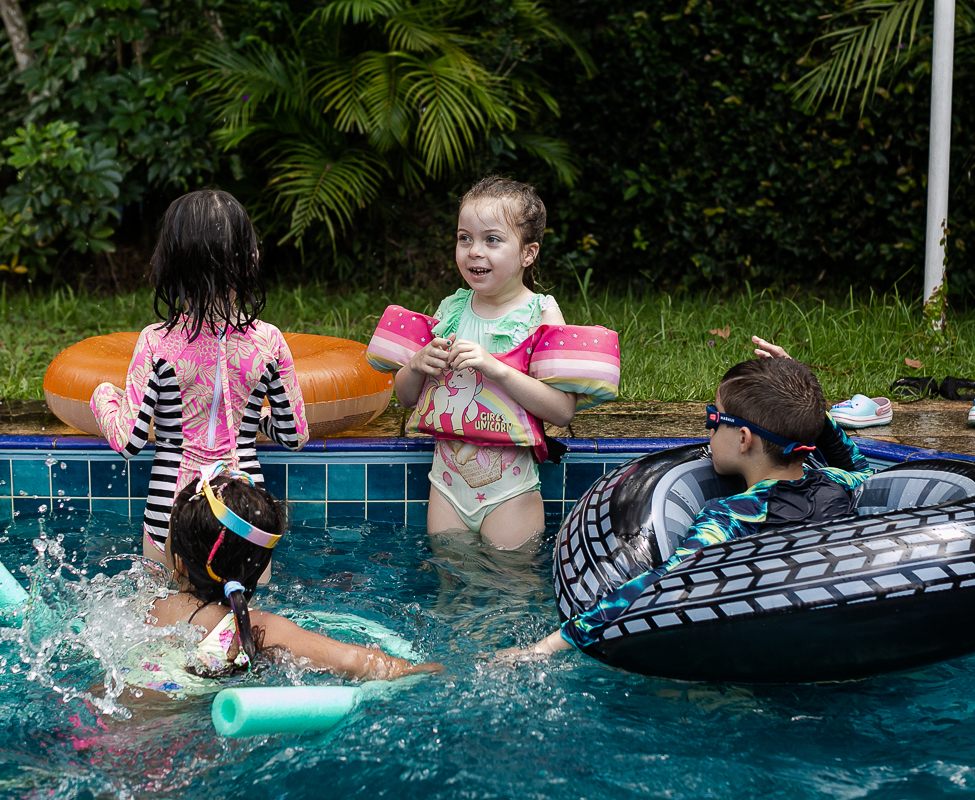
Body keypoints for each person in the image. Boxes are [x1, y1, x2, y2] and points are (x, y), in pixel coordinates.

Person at [505, 356, 874, 658]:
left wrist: (551, 644)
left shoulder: (734, 516)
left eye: (714, 418)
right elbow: (858, 465)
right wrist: (807, 410)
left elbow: (663, 584)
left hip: (760, 650)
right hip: (844, 634)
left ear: (743, 439)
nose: (708, 430)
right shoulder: (841, 483)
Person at [369, 176, 619, 550]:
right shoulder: (450, 311)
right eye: (464, 238)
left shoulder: (541, 315)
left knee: (510, 584)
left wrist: (497, 368)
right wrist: (417, 365)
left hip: (510, 495)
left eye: (492, 240)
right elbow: (406, 399)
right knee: (448, 582)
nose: (474, 251)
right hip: (446, 489)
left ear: (528, 253)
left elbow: (562, 411)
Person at [91, 190, 309, 567]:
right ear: (249, 261)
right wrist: (254, 419)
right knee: (247, 605)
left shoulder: (157, 342)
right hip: (246, 516)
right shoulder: (268, 342)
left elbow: (129, 441)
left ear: (171, 264)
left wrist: (103, 396)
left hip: (172, 513)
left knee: (166, 604)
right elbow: (295, 436)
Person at [121, 463, 441, 698]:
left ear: (177, 563)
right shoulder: (256, 627)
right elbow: (354, 660)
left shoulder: (147, 607)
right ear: (258, 569)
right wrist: (423, 670)